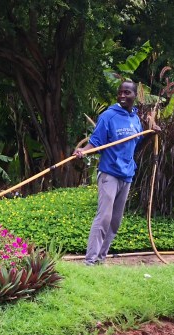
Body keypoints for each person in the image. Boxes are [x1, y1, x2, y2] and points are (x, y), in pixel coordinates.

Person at [75, 81, 142, 266]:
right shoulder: (108, 116)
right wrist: (83, 151)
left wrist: (152, 133)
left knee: (115, 221)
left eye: (127, 92)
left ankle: (100, 259)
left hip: (127, 174)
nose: (122, 95)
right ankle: (90, 261)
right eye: (120, 92)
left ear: (135, 95)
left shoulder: (135, 119)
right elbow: (96, 141)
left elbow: (137, 142)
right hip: (110, 173)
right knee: (104, 217)